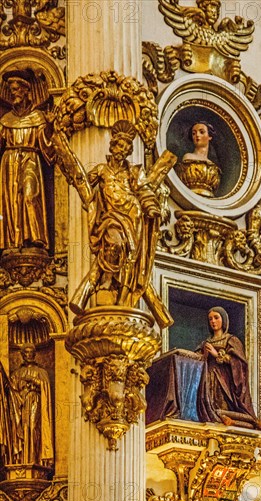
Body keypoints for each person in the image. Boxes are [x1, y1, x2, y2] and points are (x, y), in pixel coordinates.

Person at [70, 120, 162, 313]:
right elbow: (84, 184)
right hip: (111, 218)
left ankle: (122, 299)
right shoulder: (102, 170)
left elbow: (144, 191)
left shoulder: (134, 171)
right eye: (120, 145)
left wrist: (151, 207)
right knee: (116, 244)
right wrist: (74, 173)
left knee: (131, 257)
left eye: (127, 147)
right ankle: (104, 281)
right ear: (112, 146)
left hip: (133, 216)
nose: (122, 150)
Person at [0, 68, 55, 250]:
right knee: (12, 200)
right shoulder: (6, 119)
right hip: (9, 161)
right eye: (12, 90)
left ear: (26, 90)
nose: (14, 93)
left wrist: (50, 125)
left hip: (30, 159)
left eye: (16, 89)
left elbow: (46, 145)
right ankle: (13, 242)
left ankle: (35, 237)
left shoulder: (37, 117)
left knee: (30, 196)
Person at [196, 306, 261, 430]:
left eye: (216, 318)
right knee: (209, 406)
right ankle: (220, 417)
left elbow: (239, 363)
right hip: (207, 379)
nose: (213, 321)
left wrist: (216, 354)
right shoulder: (205, 343)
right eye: (210, 319)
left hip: (224, 380)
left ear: (223, 320)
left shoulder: (231, 340)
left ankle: (242, 420)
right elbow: (196, 360)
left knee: (224, 405)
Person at [10, 343, 54, 467]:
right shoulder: (16, 374)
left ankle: (35, 460)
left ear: (34, 354)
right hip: (21, 404)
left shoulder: (41, 371)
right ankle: (23, 460)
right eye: (26, 352)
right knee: (23, 429)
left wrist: (33, 380)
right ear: (22, 355)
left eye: (31, 352)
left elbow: (45, 387)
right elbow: (12, 393)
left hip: (36, 401)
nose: (29, 355)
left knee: (34, 428)